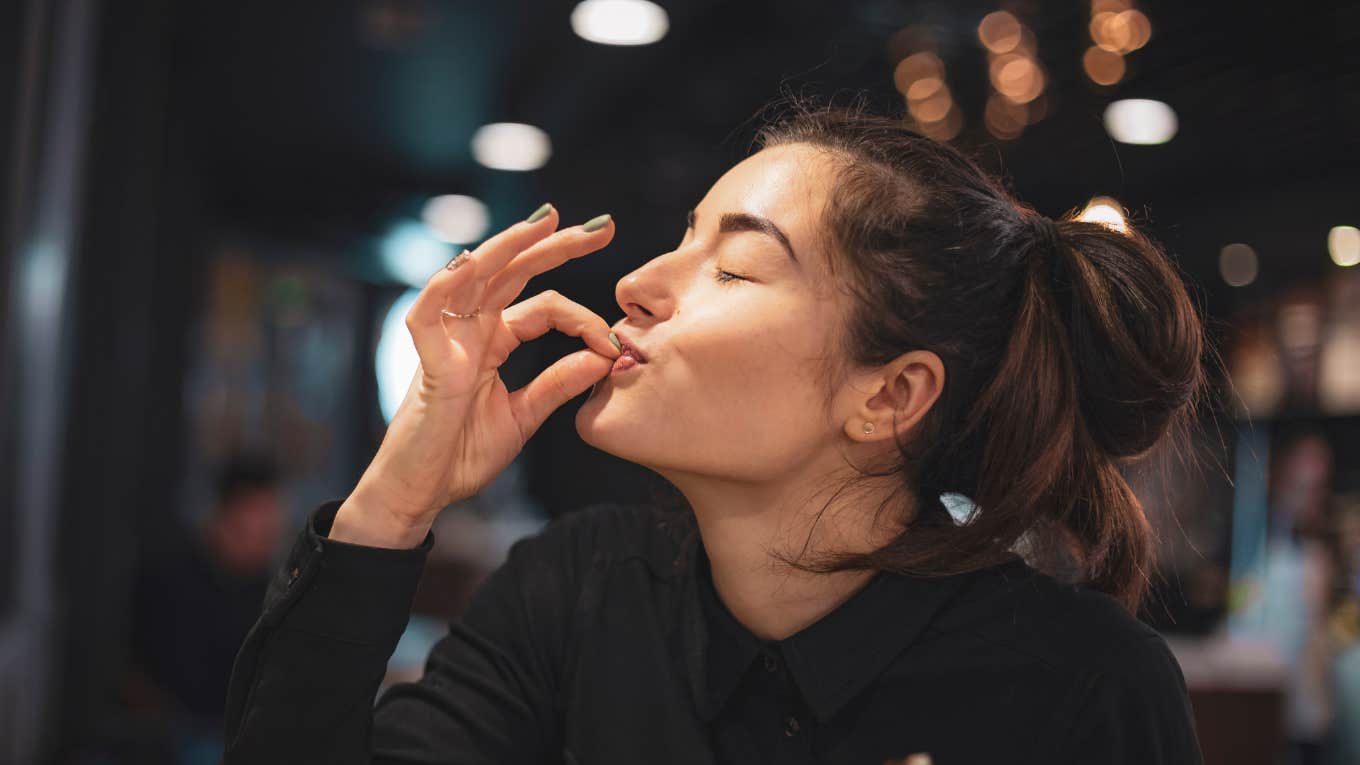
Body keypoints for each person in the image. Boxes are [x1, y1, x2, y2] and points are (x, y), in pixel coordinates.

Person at [222, 102, 1207, 764]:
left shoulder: (1080, 689)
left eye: (732, 268)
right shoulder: (572, 593)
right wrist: (399, 496)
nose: (635, 284)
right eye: (683, 240)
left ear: (888, 395)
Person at [126, 452, 285, 762]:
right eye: (262, 512)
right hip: (174, 733)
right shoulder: (171, 573)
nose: (274, 525)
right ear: (230, 511)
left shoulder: (272, 589)